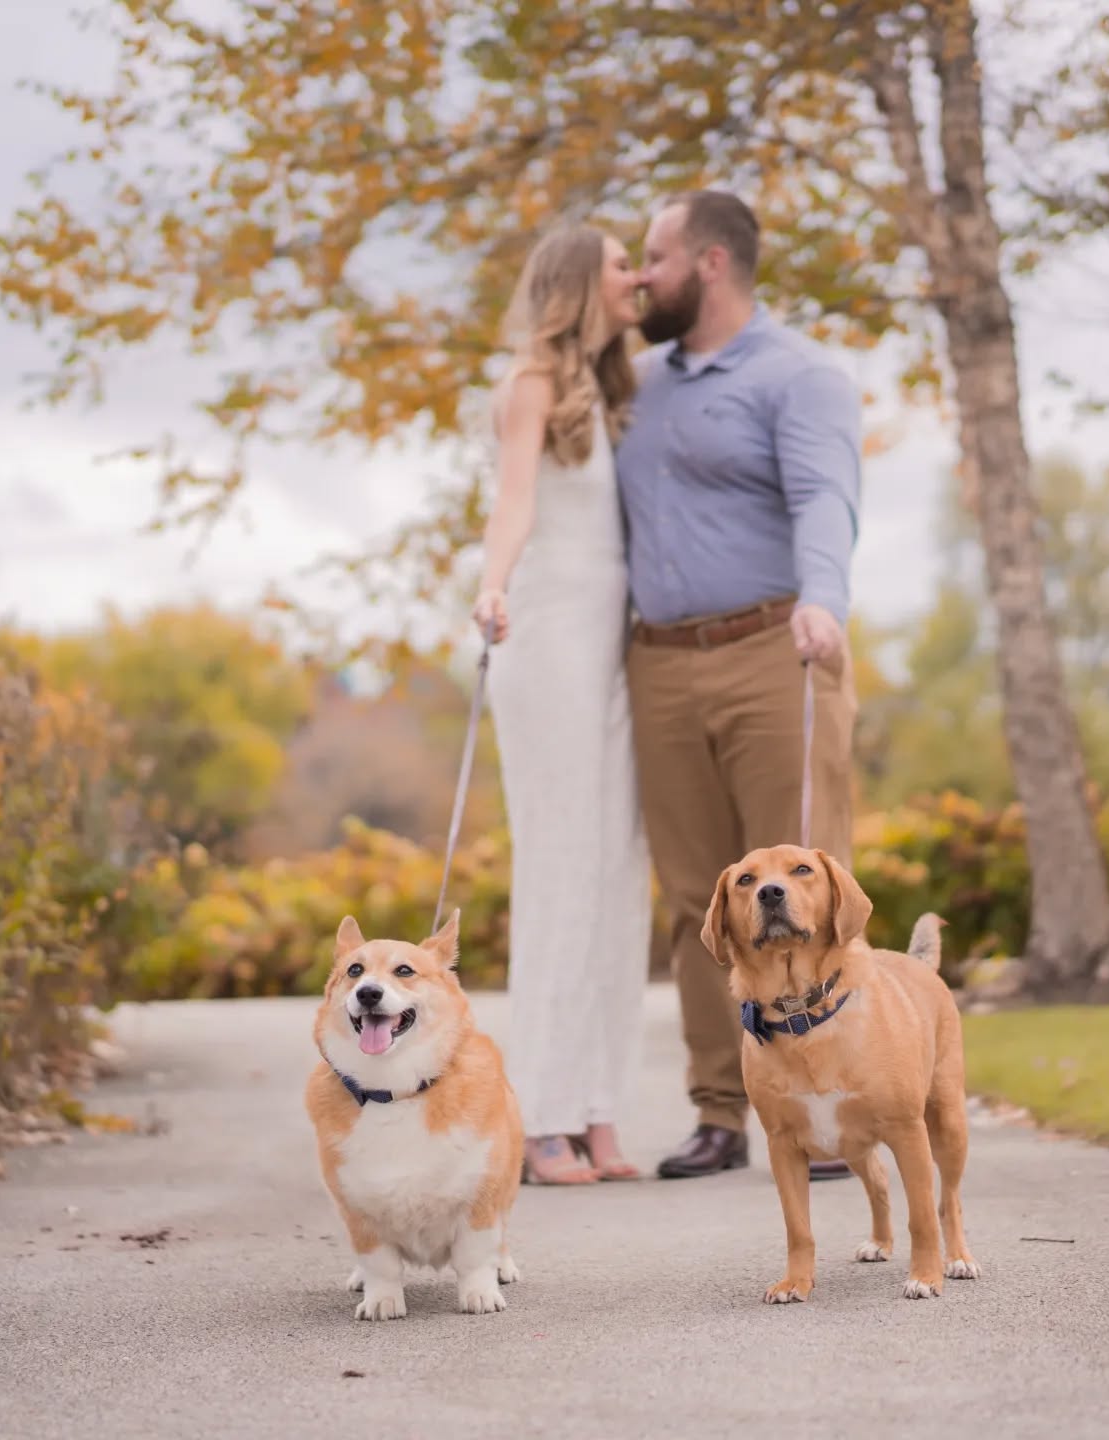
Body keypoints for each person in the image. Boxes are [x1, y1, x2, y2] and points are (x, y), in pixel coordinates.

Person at [616, 190, 862, 1181]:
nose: (641, 277)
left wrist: (825, 601)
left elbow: (825, 496)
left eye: (655, 257)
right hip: (658, 662)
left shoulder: (800, 375)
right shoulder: (633, 383)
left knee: (808, 890)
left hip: (775, 649)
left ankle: (831, 1105)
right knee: (696, 900)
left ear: (710, 262)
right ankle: (721, 1110)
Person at [472, 224, 653, 1185]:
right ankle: (540, 1115)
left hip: (615, 648)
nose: (639, 277)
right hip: (547, 642)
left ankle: (598, 1109)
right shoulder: (530, 384)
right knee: (560, 869)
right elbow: (515, 503)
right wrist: (492, 584)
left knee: (617, 872)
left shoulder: (614, 390)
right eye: (623, 264)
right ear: (581, 281)